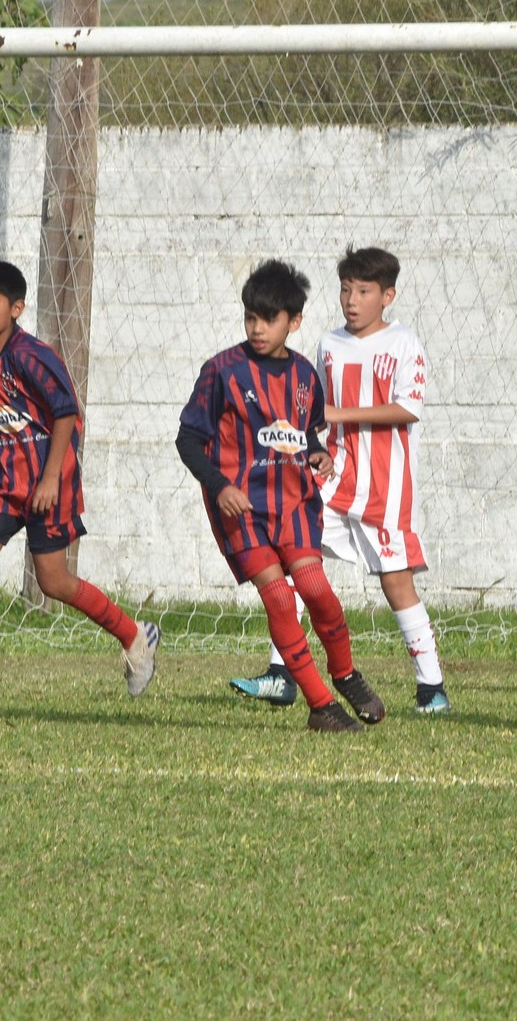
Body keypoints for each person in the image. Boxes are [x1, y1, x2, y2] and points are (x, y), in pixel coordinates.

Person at [230, 247, 450, 714]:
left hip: (385, 484)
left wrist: (335, 414)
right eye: (346, 290)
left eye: (364, 291)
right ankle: (281, 673)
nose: (352, 300)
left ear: (387, 296)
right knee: (293, 560)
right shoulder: (329, 344)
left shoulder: (403, 342)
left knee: (396, 582)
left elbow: (408, 409)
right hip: (331, 477)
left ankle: (431, 687)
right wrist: (312, 443)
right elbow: (313, 409)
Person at [176, 259, 381, 733]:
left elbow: (303, 431)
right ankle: (320, 706)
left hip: (294, 505)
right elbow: (188, 440)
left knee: (316, 590)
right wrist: (220, 486)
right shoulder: (222, 371)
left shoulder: (305, 374)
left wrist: (317, 453)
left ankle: (345, 673)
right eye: (251, 318)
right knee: (280, 600)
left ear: (295, 321)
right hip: (244, 511)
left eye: (269, 319)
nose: (257, 328)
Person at [0, 261, 159, 705]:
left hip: (47, 481)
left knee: (54, 581)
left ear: (16, 308)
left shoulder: (34, 355)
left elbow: (65, 412)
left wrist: (51, 478)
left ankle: (135, 636)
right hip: (0, 479)